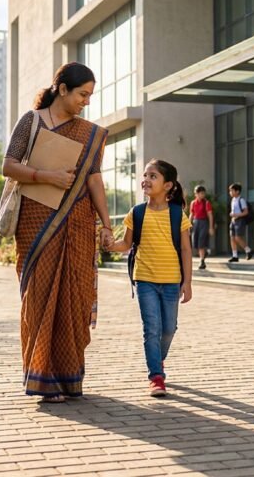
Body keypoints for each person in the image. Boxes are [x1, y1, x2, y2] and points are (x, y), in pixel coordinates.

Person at [2, 62, 113, 403]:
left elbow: (94, 178)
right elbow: (8, 165)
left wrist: (106, 225)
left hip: (78, 222)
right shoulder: (31, 122)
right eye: (83, 94)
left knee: (74, 296)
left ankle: (68, 376)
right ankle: (43, 378)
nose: (86, 102)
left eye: (90, 96)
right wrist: (46, 177)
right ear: (62, 89)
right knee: (39, 297)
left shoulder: (89, 133)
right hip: (37, 221)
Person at [107, 159, 193, 397]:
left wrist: (187, 282)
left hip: (171, 280)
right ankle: (156, 376)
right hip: (144, 279)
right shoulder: (137, 213)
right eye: (145, 175)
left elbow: (186, 249)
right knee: (151, 329)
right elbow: (125, 243)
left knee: (169, 329)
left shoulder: (178, 214)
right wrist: (107, 245)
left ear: (168, 185)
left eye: (153, 176)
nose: (146, 179)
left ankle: (158, 359)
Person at [188, 185, 214, 270]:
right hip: (196, 223)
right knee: (195, 242)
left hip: (204, 222)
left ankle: (202, 261)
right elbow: (191, 214)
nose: (202, 195)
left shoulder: (206, 203)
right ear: (196, 194)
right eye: (200, 193)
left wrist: (210, 227)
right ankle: (204, 253)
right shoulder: (193, 203)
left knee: (201, 242)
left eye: (203, 193)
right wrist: (188, 225)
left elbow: (210, 215)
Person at [228, 183, 252, 262]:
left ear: (237, 191)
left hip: (240, 220)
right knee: (232, 238)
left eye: (232, 191)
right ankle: (235, 255)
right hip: (233, 221)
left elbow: (246, 212)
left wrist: (236, 215)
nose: (230, 192)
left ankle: (248, 250)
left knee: (238, 237)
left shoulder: (241, 200)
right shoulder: (233, 200)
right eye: (230, 191)